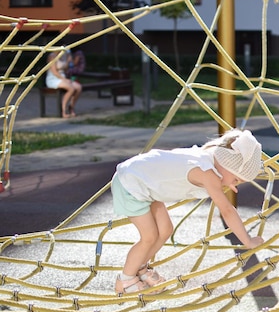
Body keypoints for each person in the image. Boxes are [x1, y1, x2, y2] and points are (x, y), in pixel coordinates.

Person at [111, 128, 265, 294]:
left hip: (147, 184)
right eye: (236, 179)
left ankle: (140, 267)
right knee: (149, 237)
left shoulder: (209, 157)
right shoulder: (208, 174)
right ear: (227, 165)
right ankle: (125, 280)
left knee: (165, 230)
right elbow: (227, 210)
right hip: (131, 184)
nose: (233, 184)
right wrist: (247, 241)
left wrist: (229, 179)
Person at [45, 49, 82, 118]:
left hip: (63, 77)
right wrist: (65, 80)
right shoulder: (52, 56)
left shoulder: (63, 56)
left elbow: (65, 69)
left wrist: (68, 60)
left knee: (78, 87)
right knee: (71, 88)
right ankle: (63, 111)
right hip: (53, 79)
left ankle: (71, 107)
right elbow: (54, 72)